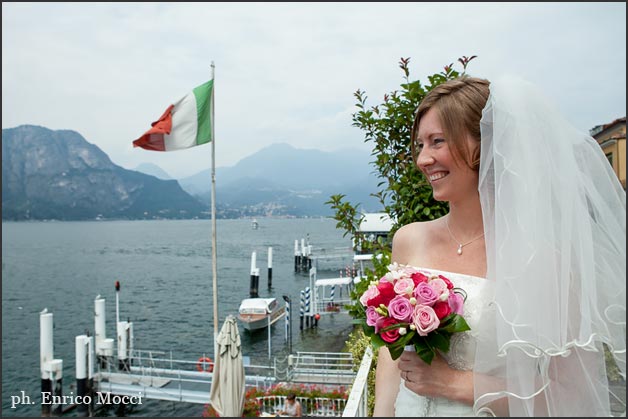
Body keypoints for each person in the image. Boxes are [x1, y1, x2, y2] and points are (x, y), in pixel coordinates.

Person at [373, 75, 626, 417]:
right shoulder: (409, 240)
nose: (423, 160)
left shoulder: (546, 262)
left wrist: (454, 383)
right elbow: (392, 360)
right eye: (421, 145)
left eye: (437, 141)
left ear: (488, 145)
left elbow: (571, 396)